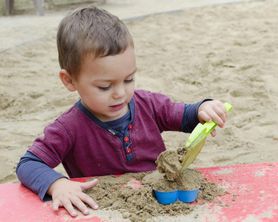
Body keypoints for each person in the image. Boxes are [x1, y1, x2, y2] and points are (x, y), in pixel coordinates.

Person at [16, 6, 228, 217]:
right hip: (105, 211)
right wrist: (57, 184)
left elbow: (184, 115)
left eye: (128, 80)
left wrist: (203, 108)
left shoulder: (149, 104)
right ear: (69, 80)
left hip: (159, 204)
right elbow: (29, 164)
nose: (120, 93)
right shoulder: (68, 128)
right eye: (105, 86)